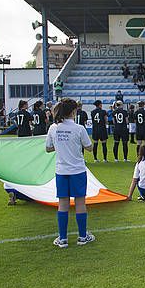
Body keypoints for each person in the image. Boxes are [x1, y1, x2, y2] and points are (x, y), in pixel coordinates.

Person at [45, 98, 95, 248]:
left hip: (61, 171)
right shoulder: (79, 128)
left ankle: (63, 239)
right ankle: (82, 237)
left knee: (63, 203)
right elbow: (89, 147)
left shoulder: (53, 128)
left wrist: (61, 146)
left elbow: (48, 148)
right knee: (80, 202)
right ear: (73, 111)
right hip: (77, 170)